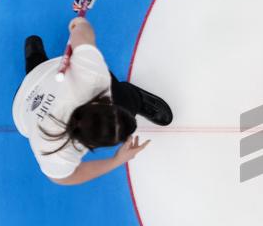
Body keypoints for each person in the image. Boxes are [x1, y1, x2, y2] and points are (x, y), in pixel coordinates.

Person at [12, 18, 172, 185]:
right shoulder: (92, 79)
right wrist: (78, 23)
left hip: (29, 98)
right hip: (32, 91)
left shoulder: (92, 78)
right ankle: (34, 54)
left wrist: (79, 26)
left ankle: (35, 56)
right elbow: (81, 32)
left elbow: (81, 34)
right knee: (124, 100)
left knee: (38, 74)